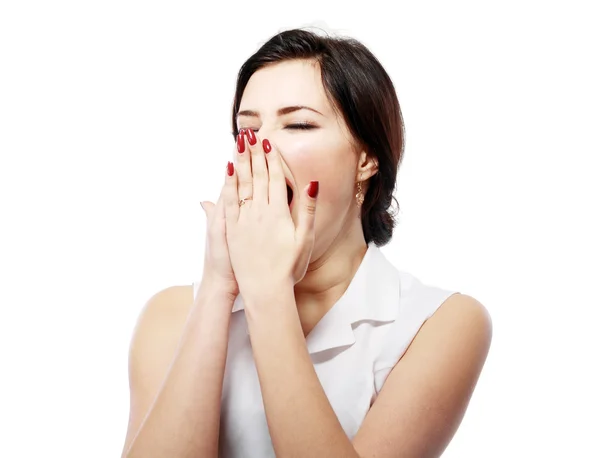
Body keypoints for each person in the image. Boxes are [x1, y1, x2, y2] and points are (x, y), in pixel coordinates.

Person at [120, 28, 493, 458]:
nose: (262, 148)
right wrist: (218, 289)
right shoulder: (171, 315)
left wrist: (268, 293)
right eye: (247, 129)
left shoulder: (441, 322)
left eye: (298, 124)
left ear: (367, 159)